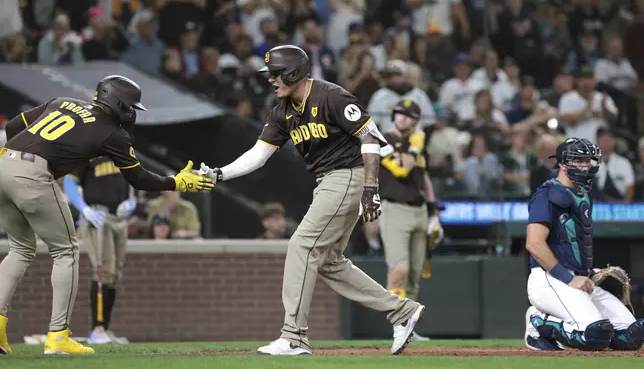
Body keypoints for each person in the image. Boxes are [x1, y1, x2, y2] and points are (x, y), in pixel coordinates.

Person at [200, 45, 425, 356]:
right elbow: (259, 154)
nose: (271, 80)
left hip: (348, 174)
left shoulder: (331, 95)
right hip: (329, 180)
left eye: (276, 74)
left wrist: (371, 188)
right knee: (330, 261)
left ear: (293, 71)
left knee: (301, 245)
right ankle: (401, 311)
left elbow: (370, 138)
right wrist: (219, 174)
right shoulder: (281, 110)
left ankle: (293, 336)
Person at [0, 75, 213, 355]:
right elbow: (138, 178)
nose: (131, 112)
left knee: (20, 249)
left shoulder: (62, 101)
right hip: (35, 175)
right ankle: (58, 336)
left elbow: (14, 125)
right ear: (118, 104)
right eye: (130, 106)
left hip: (4, 163)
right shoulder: (111, 132)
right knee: (66, 251)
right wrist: (176, 182)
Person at [524, 138, 644, 351]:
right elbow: (534, 244)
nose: (585, 165)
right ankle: (538, 321)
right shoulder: (548, 193)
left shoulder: (584, 193)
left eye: (587, 160)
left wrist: (587, 273)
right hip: (550, 279)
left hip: (580, 280)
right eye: (578, 160)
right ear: (562, 163)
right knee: (593, 335)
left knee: (631, 336)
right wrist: (568, 277)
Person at [378, 99, 443, 342]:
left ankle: (409, 326)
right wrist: (415, 148)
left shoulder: (417, 142)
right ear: (394, 115)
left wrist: (434, 212)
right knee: (399, 269)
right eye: (400, 114)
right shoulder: (381, 140)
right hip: (394, 210)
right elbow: (402, 169)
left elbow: (422, 177)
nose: (404, 118)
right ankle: (397, 325)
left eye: (410, 116)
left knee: (415, 274)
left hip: (420, 211)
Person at [63, 156, 135, 344]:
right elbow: (70, 182)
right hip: (98, 215)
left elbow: (133, 178)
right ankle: (97, 329)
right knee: (103, 271)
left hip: (119, 217)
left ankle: (106, 328)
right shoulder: (88, 148)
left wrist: (132, 201)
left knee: (115, 274)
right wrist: (84, 209)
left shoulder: (121, 150)